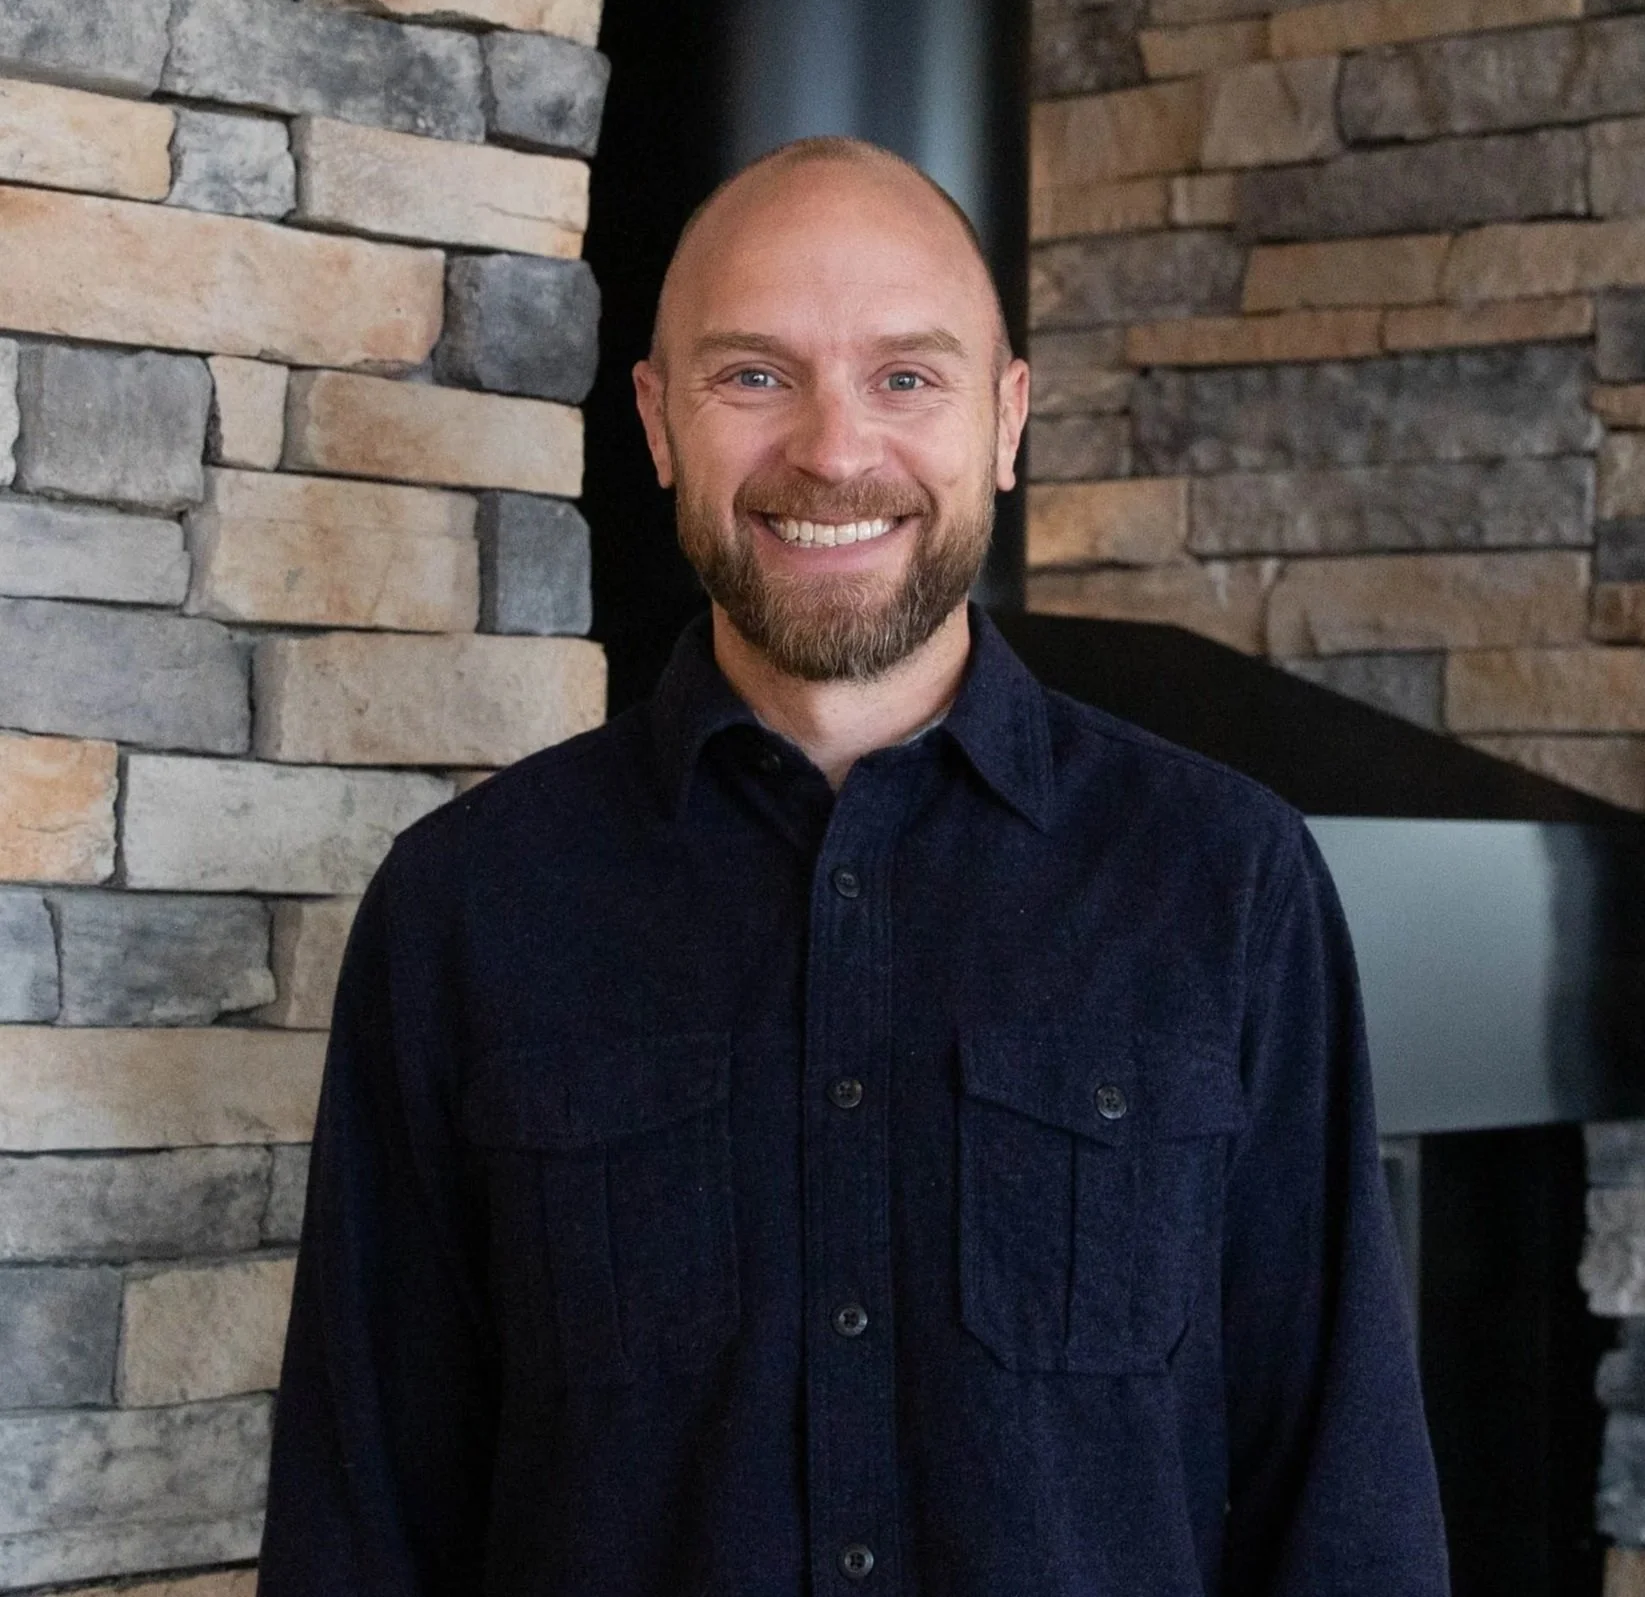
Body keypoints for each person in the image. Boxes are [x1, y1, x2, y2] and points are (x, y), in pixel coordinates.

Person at [259, 136, 1449, 1596]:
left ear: (1006, 421)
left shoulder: (1224, 880)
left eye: (907, 377)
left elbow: (1345, 1501)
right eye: (754, 375)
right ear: (655, 421)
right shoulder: (464, 909)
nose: (832, 450)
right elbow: (361, 1520)